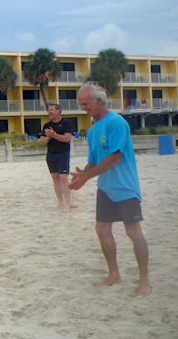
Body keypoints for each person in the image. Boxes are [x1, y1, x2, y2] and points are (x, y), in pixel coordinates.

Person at [69, 82, 151, 297]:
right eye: (81, 104)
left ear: (98, 101)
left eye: (85, 103)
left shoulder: (116, 122)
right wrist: (83, 175)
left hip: (125, 188)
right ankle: (114, 275)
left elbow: (115, 157)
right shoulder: (93, 130)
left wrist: (88, 175)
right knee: (102, 229)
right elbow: (94, 161)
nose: (83, 108)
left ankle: (144, 281)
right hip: (105, 188)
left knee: (133, 233)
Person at [39, 104, 73, 213]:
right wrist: (49, 137)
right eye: (49, 110)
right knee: (55, 178)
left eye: (52, 110)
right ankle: (60, 203)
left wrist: (54, 135)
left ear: (58, 110)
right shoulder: (46, 125)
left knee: (63, 177)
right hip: (51, 154)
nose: (50, 112)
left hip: (63, 153)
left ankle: (67, 204)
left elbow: (67, 139)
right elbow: (42, 142)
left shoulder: (66, 123)